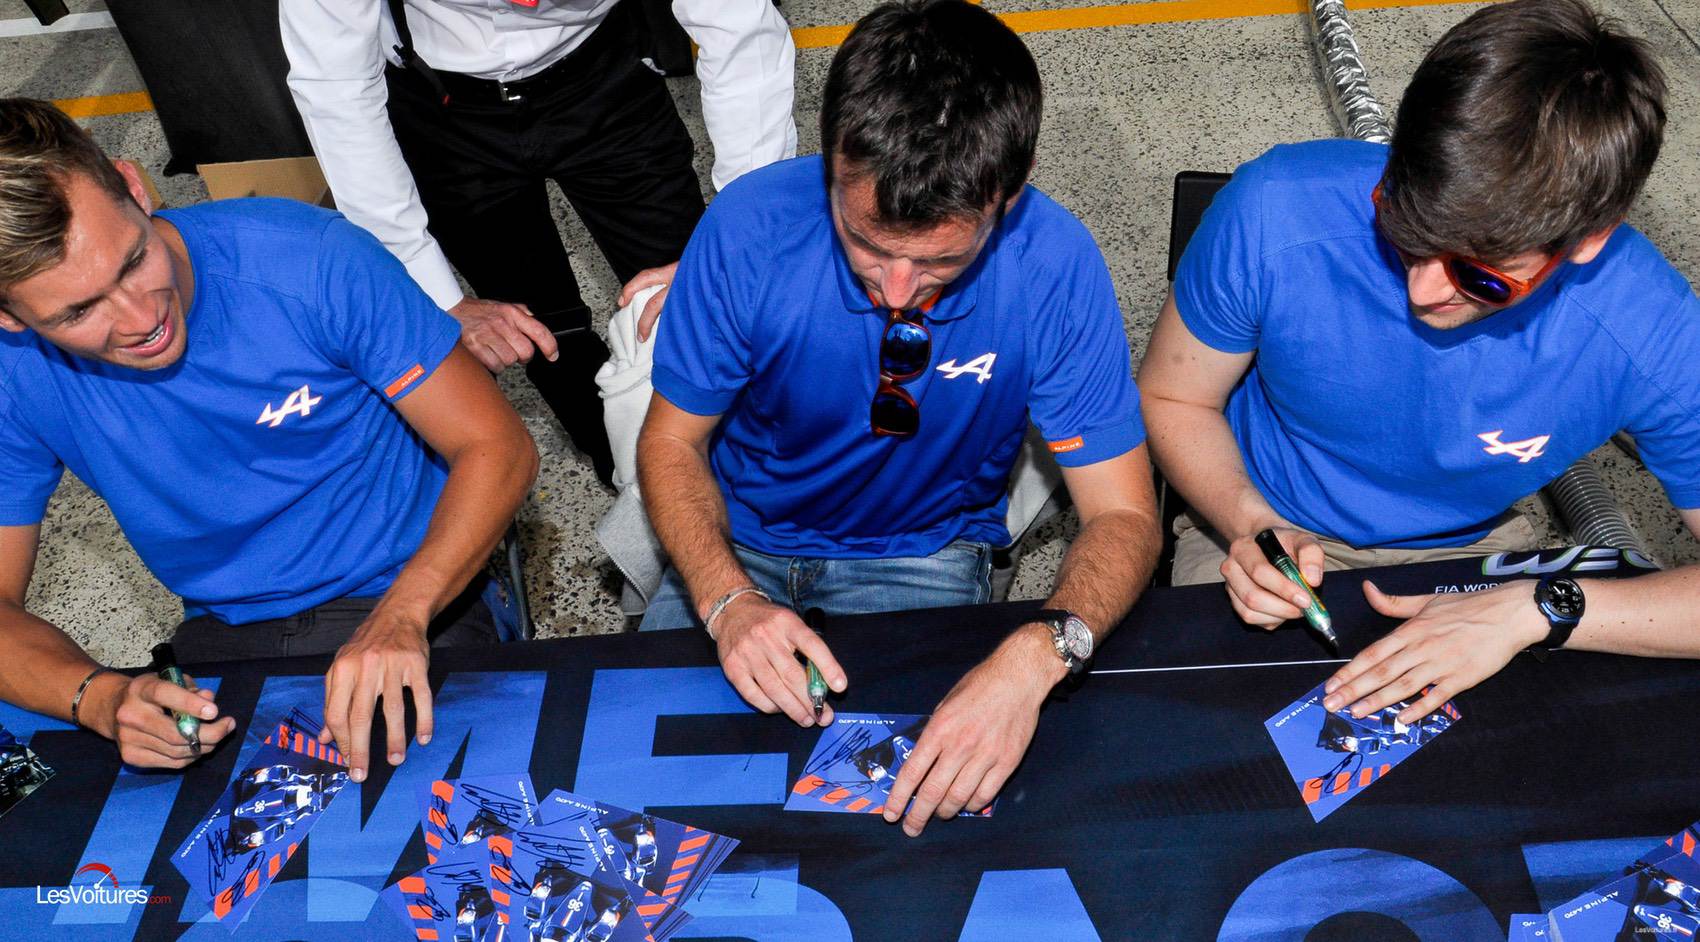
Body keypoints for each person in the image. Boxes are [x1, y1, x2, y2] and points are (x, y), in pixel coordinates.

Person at [636, 0, 1161, 836]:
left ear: (1009, 194)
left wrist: (1040, 651)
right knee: (635, 807)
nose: (897, 291)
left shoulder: (1056, 270)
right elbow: (671, 440)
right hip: (740, 538)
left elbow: (1125, 515)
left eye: (941, 261)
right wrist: (726, 598)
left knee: (920, 820)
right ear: (830, 161)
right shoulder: (745, 231)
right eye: (867, 244)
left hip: (924, 552)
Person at [1137, 0, 1700, 722]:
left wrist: (1535, 610)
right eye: (1404, 229)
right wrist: (1248, 521)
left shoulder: (1651, 333)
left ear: (1587, 241)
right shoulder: (1274, 211)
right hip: (1260, 514)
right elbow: (1174, 397)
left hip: (1477, 553)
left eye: (1482, 277)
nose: (1422, 291)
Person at [0, 99, 538, 782]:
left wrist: (403, 615)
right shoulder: (11, 374)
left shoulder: (307, 259)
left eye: (133, 261)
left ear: (135, 186)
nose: (139, 319)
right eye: (79, 311)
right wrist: (101, 698)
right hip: (226, 627)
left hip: (414, 588)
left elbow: (500, 448)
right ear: (9, 317)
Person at [280, 0, 798, 487]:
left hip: (603, 75)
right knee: (537, 330)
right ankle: (625, 475)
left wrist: (740, 246)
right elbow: (336, 88)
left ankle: (744, 473)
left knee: (698, 305)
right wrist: (431, 291)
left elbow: (740, 31)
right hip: (440, 107)